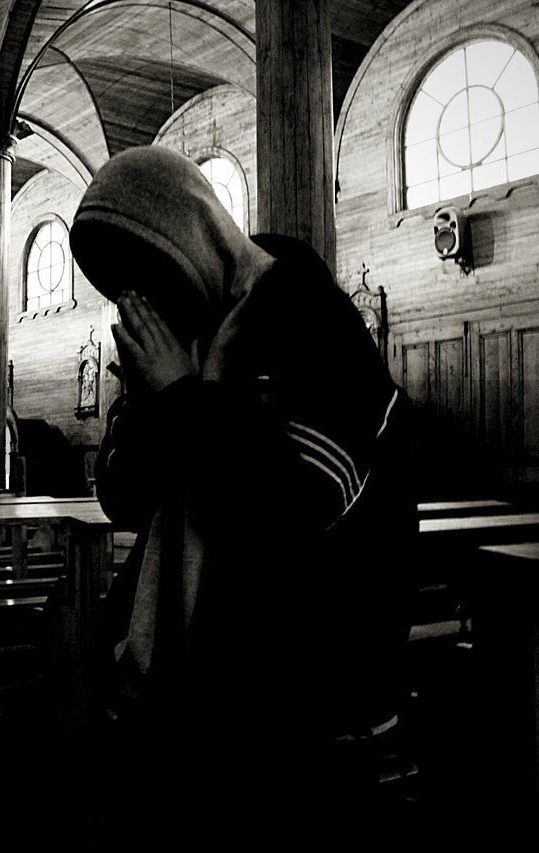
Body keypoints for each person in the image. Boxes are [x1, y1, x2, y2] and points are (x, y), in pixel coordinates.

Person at [69, 145, 417, 839]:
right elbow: (125, 498)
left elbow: (298, 505)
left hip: (302, 709)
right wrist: (144, 396)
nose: (140, 301)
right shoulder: (185, 342)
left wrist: (182, 397)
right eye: (123, 288)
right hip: (188, 697)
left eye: (148, 271)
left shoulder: (314, 322)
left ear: (191, 238)